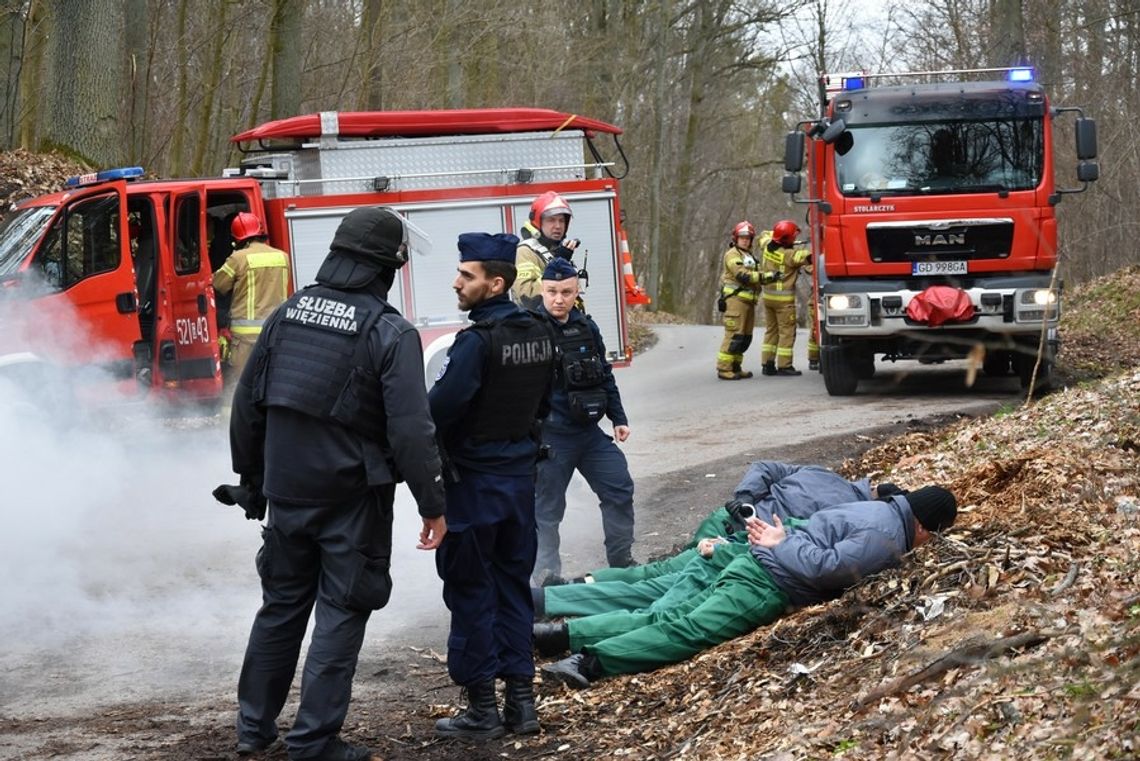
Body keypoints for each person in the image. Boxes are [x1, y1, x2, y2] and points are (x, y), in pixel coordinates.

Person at [228, 206, 447, 761]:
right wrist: (432, 503)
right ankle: (313, 742)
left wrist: (251, 480)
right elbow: (411, 431)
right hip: (354, 501)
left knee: (280, 608)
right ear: (386, 267)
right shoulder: (390, 331)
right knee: (342, 612)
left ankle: (254, 730)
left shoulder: (287, 315)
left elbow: (246, 406)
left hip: (286, 495)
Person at [539, 486, 958, 687]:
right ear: (924, 527)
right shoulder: (885, 536)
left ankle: (557, 635)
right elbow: (827, 568)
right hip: (767, 582)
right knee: (687, 630)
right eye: (932, 537)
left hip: (752, 563)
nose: (927, 545)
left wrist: (779, 539)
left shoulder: (874, 508)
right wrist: (782, 541)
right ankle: (590, 662)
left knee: (665, 612)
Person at [429, 232, 555, 740]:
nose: (457, 282)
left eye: (467, 275)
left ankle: (481, 710)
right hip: (519, 483)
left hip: (475, 486)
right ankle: (522, 706)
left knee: (471, 589)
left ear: (495, 283)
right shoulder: (539, 333)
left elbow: (438, 411)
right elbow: (544, 406)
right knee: (513, 588)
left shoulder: (477, 343)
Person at [534, 462, 905, 620]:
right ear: (877, 500)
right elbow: (800, 541)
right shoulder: (849, 513)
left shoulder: (822, 473)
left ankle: (570, 589)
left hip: (729, 518)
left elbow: (767, 467)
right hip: (741, 541)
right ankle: (565, 607)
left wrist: (744, 498)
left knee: (660, 574)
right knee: (665, 588)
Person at [533, 257, 636, 585]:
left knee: (619, 487)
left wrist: (618, 417)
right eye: (552, 292)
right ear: (541, 290)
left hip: (587, 433)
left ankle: (622, 563)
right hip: (550, 436)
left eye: (566, 292)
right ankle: (547, 576)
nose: (558, 299)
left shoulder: (586, 327)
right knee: (547, 511)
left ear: (576, 291)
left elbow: (604, 374)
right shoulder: (528, 328)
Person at [213, 211, 290, 385]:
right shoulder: (282, 257)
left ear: (238, 238)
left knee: (241, 383)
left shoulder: (238, 258)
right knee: (270, 381)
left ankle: (232, 412)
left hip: (245, 338)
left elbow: (219, 285)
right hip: (275, 331)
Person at [716, 221, 781, 380]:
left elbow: (757, 277)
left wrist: (772, 276)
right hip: (735, 301)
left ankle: (736, 366)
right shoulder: (732, 254)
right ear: (736, 238)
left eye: (748, 238)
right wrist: (765, 276)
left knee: (744, 337)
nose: (745, 240)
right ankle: (724, 368)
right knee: (733, 335)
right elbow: (742, 275)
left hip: (748, 303)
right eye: (742, 237)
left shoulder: (749, 256)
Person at [512, 191, 581, 310]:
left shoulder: (558, 250)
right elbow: (527, 297)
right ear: (539, 222)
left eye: (561, 220)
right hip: (539, 325)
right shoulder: (525, 252)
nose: (558, 226)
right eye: (551, 220)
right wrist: (559, 263)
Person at [759, 220, 811, 376]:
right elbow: (808, 257)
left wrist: (781, 238)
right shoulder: (789, 255)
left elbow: (764, 235)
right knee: (787, 333)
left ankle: (767, 364)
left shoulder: (767, 245)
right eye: (793, 238)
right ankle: (784, 366)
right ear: (787, 239)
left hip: (768, 298)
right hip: (784, 302)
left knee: (771, 331)